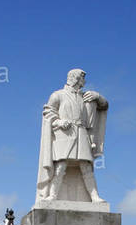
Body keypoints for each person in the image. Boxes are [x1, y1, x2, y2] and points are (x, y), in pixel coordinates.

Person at [37, 68, 108, 203]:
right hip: (64, 134)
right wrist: (59, 121)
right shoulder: (58, 95)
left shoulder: (86, 96)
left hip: (82, 133)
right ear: (75, 79)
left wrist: (98, 97)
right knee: (61, 166)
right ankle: (52, 195)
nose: (84, 81)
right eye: (82, 78)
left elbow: (104, 106)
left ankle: (94, 196)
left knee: (86, 166)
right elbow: (48, 113)